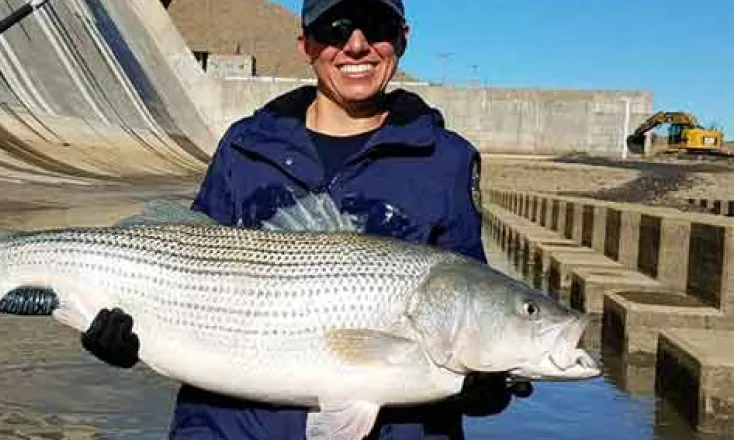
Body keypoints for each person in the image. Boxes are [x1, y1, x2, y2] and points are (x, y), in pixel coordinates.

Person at [81, 0, 531, 438]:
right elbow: (188, 253)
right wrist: (131, 338)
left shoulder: (447, 160)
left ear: (402, 39)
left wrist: (486, 389)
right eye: (334, 28)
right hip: (226, 427)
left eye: (376, 25)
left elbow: (471, 293)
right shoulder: (244, 143)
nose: (356, 45)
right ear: (306, 44)